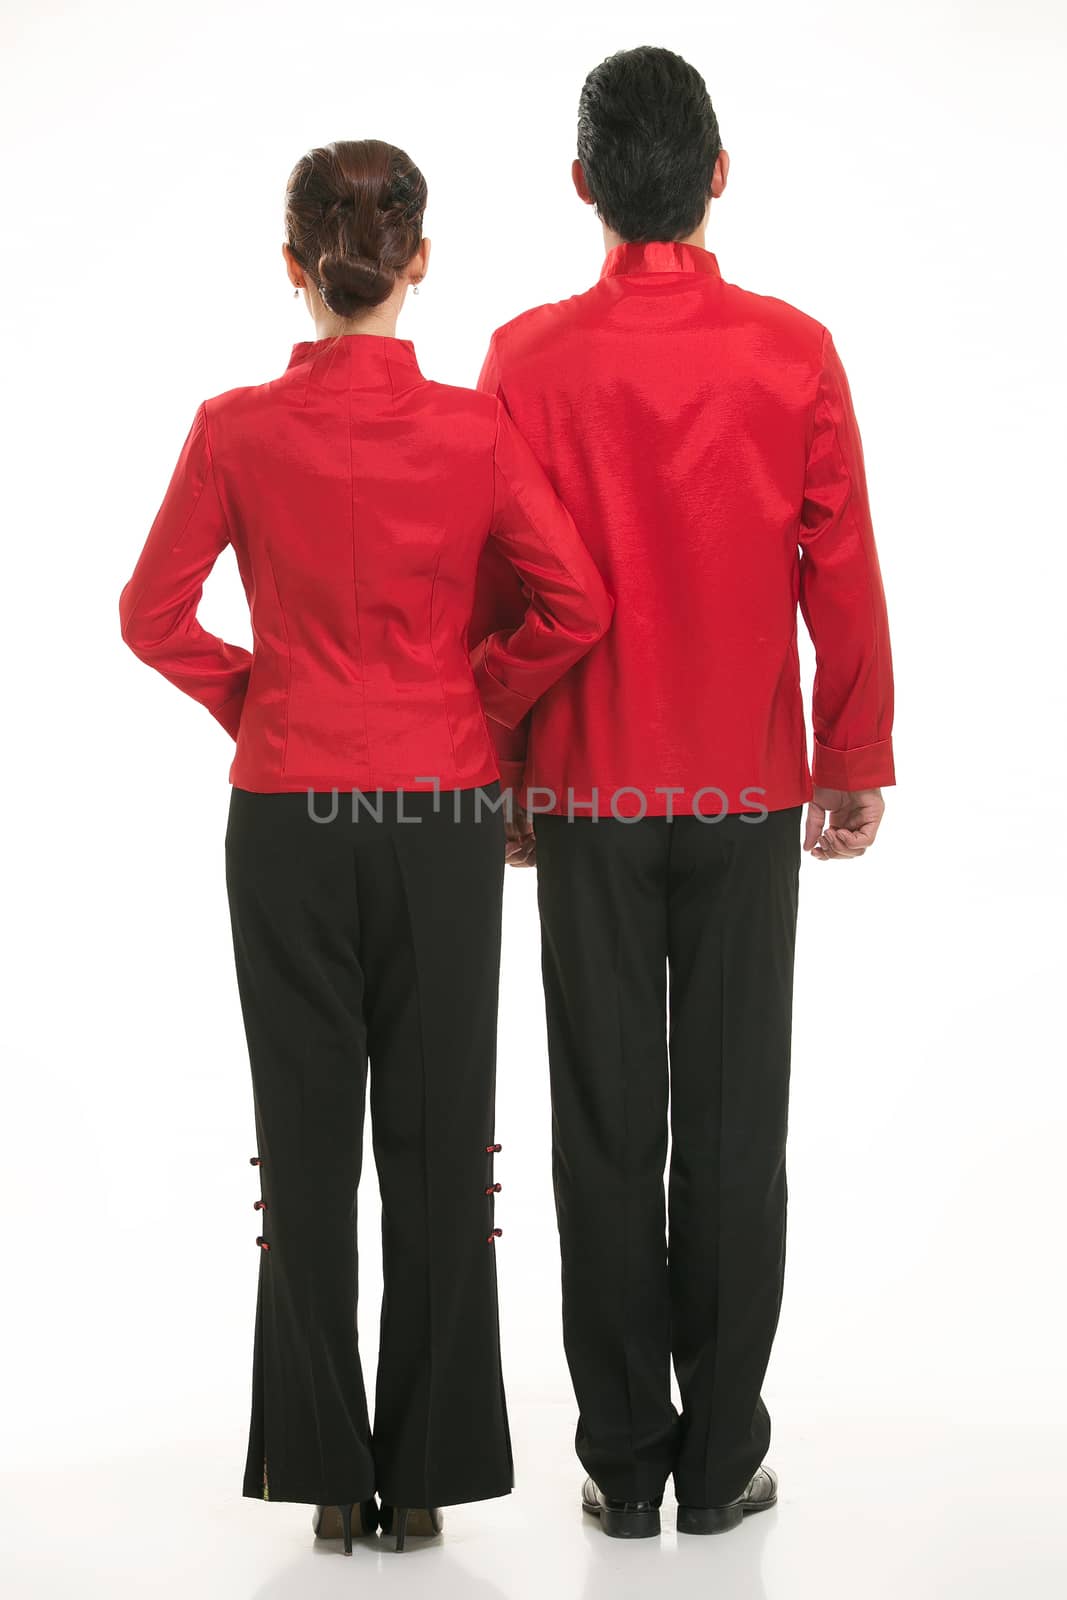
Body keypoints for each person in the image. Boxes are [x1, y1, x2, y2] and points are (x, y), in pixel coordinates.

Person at [118, 138, 612, 1555]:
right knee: (445, 1143)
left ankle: (329, 1472)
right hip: (443, 809)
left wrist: (260, 700)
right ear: (420, 264)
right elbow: (571, 604)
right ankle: (436, 1471)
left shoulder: (232, 428)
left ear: (294, 270)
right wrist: (475, 697)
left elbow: (152, 614)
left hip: (284, 815)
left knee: (307, 1140)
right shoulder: (474, 434)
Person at [474, 48, 895, 1537]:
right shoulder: (793, 351)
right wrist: (851, 760)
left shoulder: (525, 360)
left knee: (601, 1123)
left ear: (585, 184)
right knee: (729, 1119)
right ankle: (722, 1461)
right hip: (742, 790)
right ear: (718, 174)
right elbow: (837, 572)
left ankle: (623, 1462)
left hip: (586, 783)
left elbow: (500, 581)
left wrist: (507, 767)